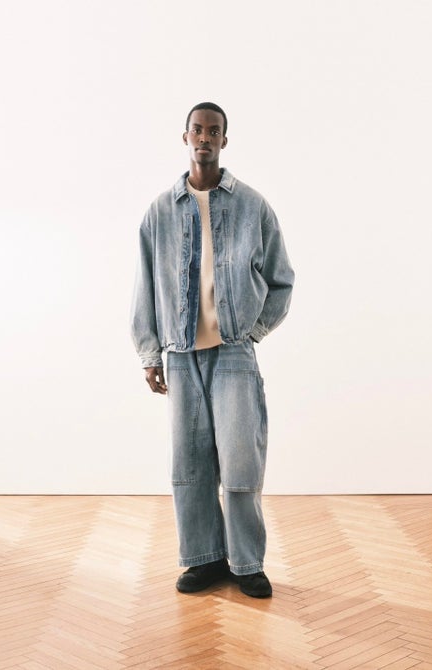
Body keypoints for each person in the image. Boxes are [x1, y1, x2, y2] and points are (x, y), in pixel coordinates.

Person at [131, 102, 294, 598]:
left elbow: (281, 280)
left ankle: (246, 563)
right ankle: (204, 559)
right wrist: (150, 353)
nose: (205, 138)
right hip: (180, 356)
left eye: (214, 131)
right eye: (197, 130)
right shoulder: (160, 211)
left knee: (241, 461)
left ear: (225, 139)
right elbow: (144, 287)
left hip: (234, 354)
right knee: (190, 464)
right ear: (185, 137)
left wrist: (252, 330)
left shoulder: (252, 206)